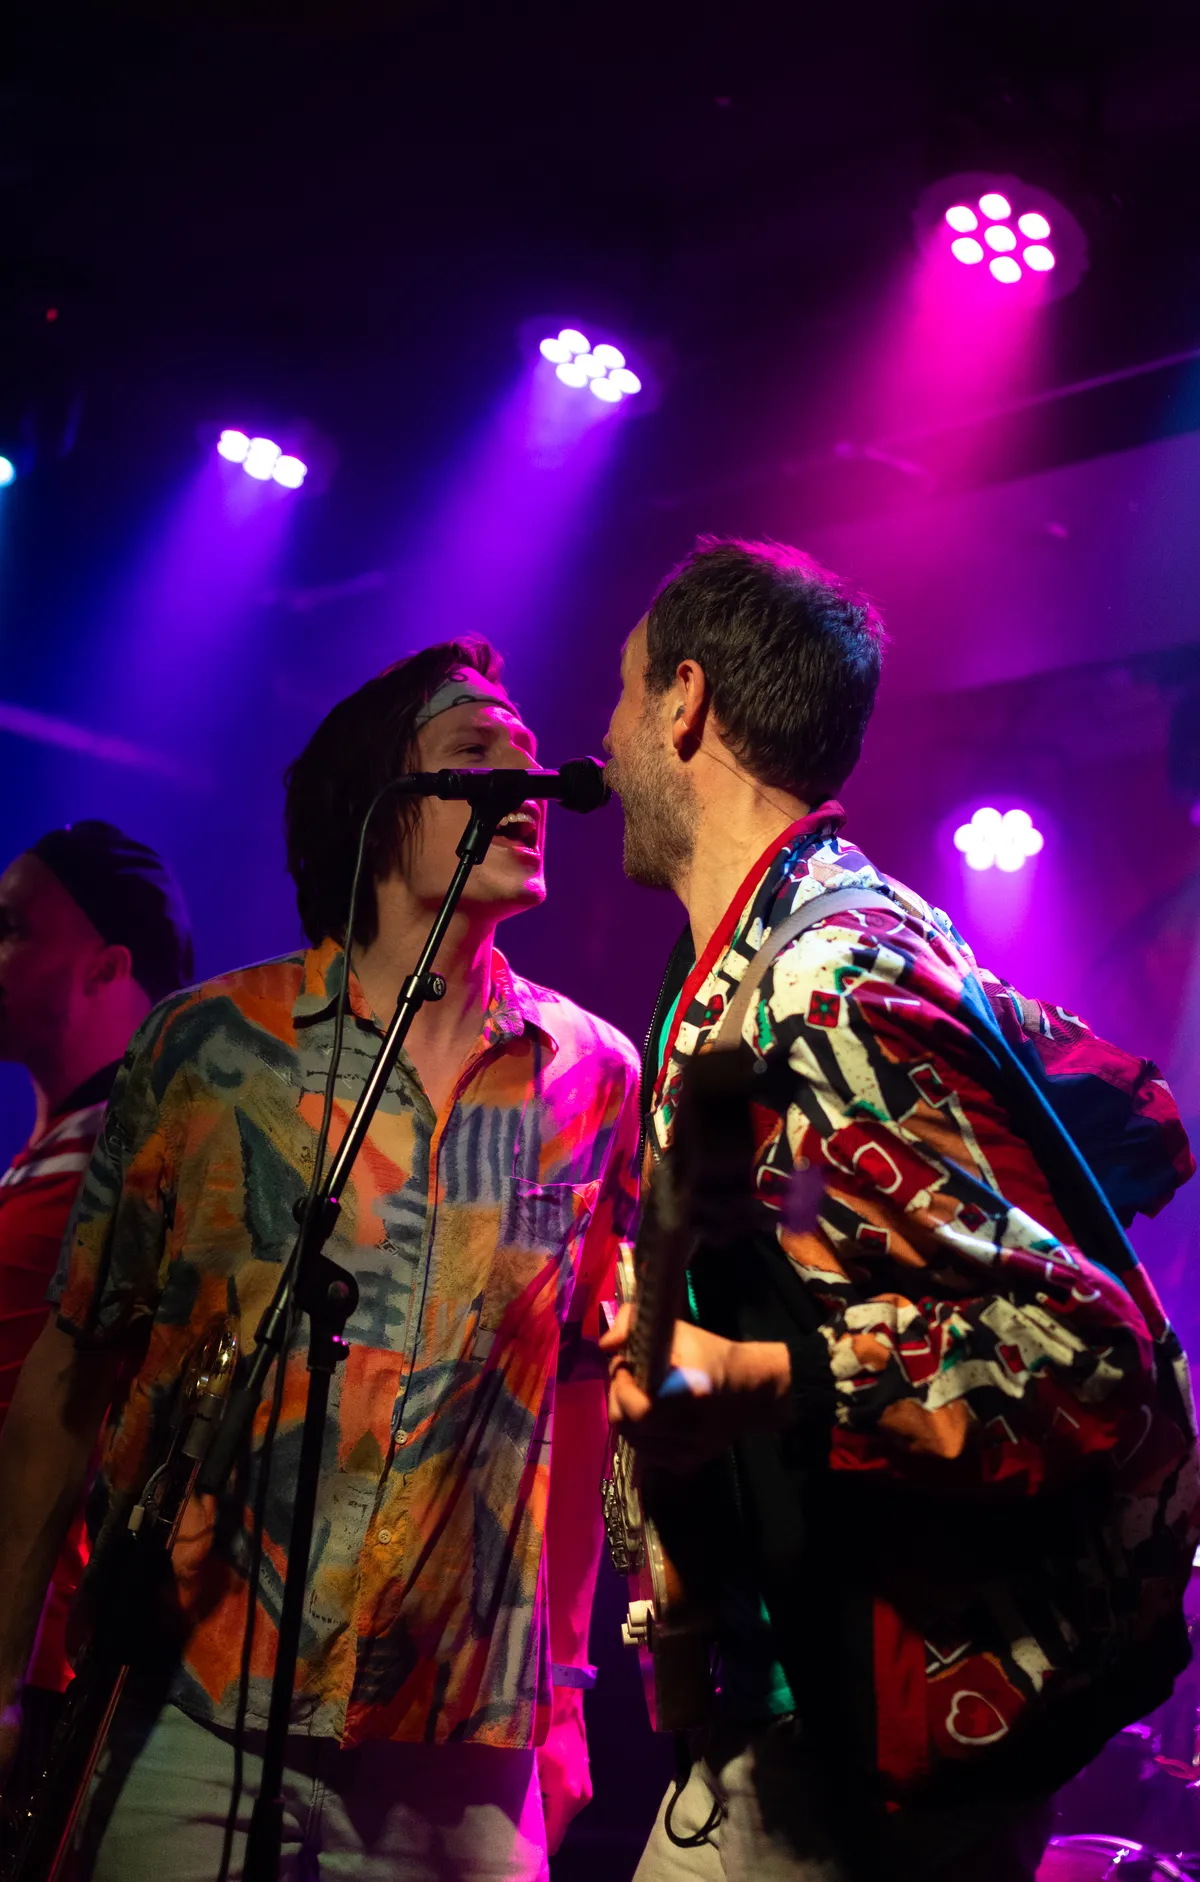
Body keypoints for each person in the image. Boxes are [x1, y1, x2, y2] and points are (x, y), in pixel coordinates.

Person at [601, 537, 1199, 1882]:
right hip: (794, 1725)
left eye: (623, 690)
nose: (607, 733)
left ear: (684, 702)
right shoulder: (806, 951)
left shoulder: (829, 978)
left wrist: (756, 1373)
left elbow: (1082, 1356)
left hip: (866, 1761)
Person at [0, 642, 641, 1881]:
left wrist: (565, 1688)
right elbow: (68, 1374)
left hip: (456, 1750)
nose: (529, 776)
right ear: (379, 804)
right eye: (477, 752)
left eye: (529, 750)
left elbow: (578, 1395)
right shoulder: (206, 1049)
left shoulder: (592, 1077)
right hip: (191, 1710)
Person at [0, 822, 193, 1779]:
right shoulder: (57, 1154)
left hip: (40, 1662)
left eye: (13, 927)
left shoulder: (130, 1168)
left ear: (106, 966)